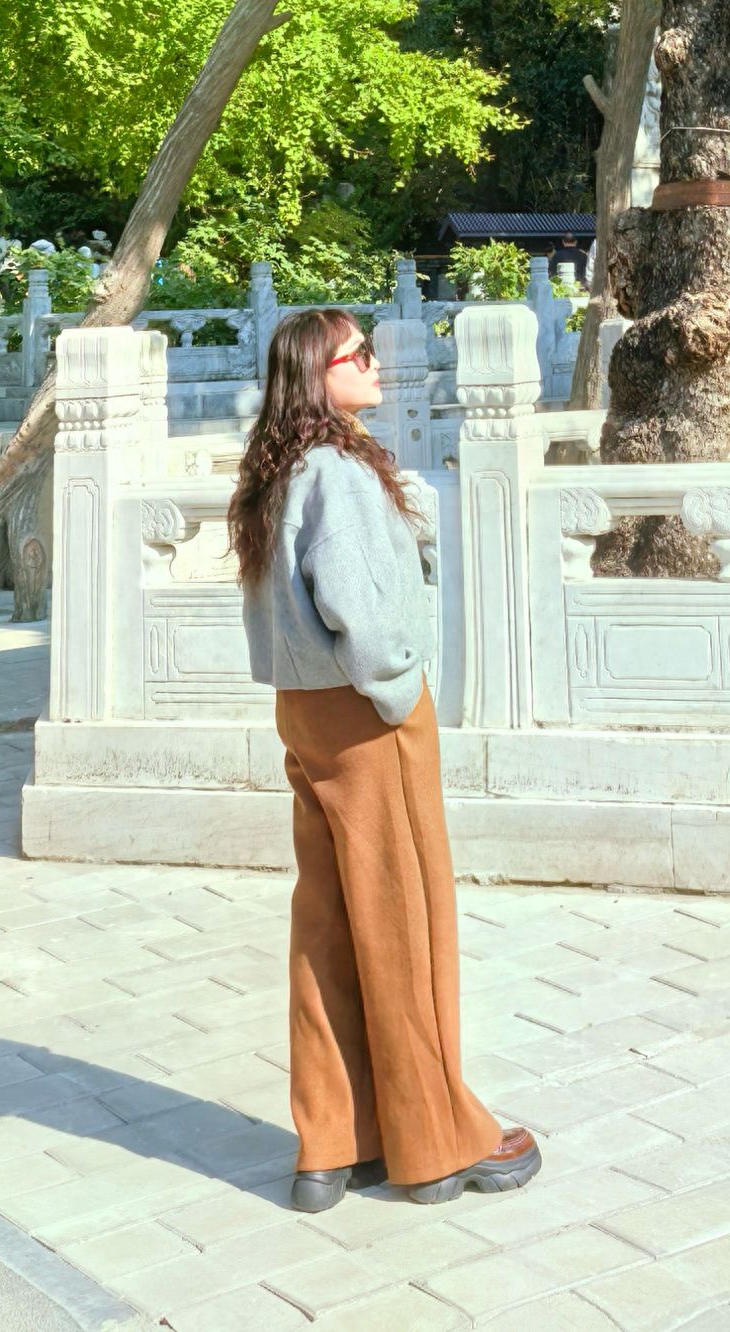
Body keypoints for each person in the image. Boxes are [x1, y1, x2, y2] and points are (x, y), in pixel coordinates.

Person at [228, 308, 541, 1213]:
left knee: (326, 924)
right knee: (406, 926)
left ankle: (333, 1141)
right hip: (369, 718)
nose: (372, 362)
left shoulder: (277, 473)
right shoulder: (337, 472)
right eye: (353, 354)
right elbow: (357, 611)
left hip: (305, 715)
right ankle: (435, 1140)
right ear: (316, 376)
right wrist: (401, 687)